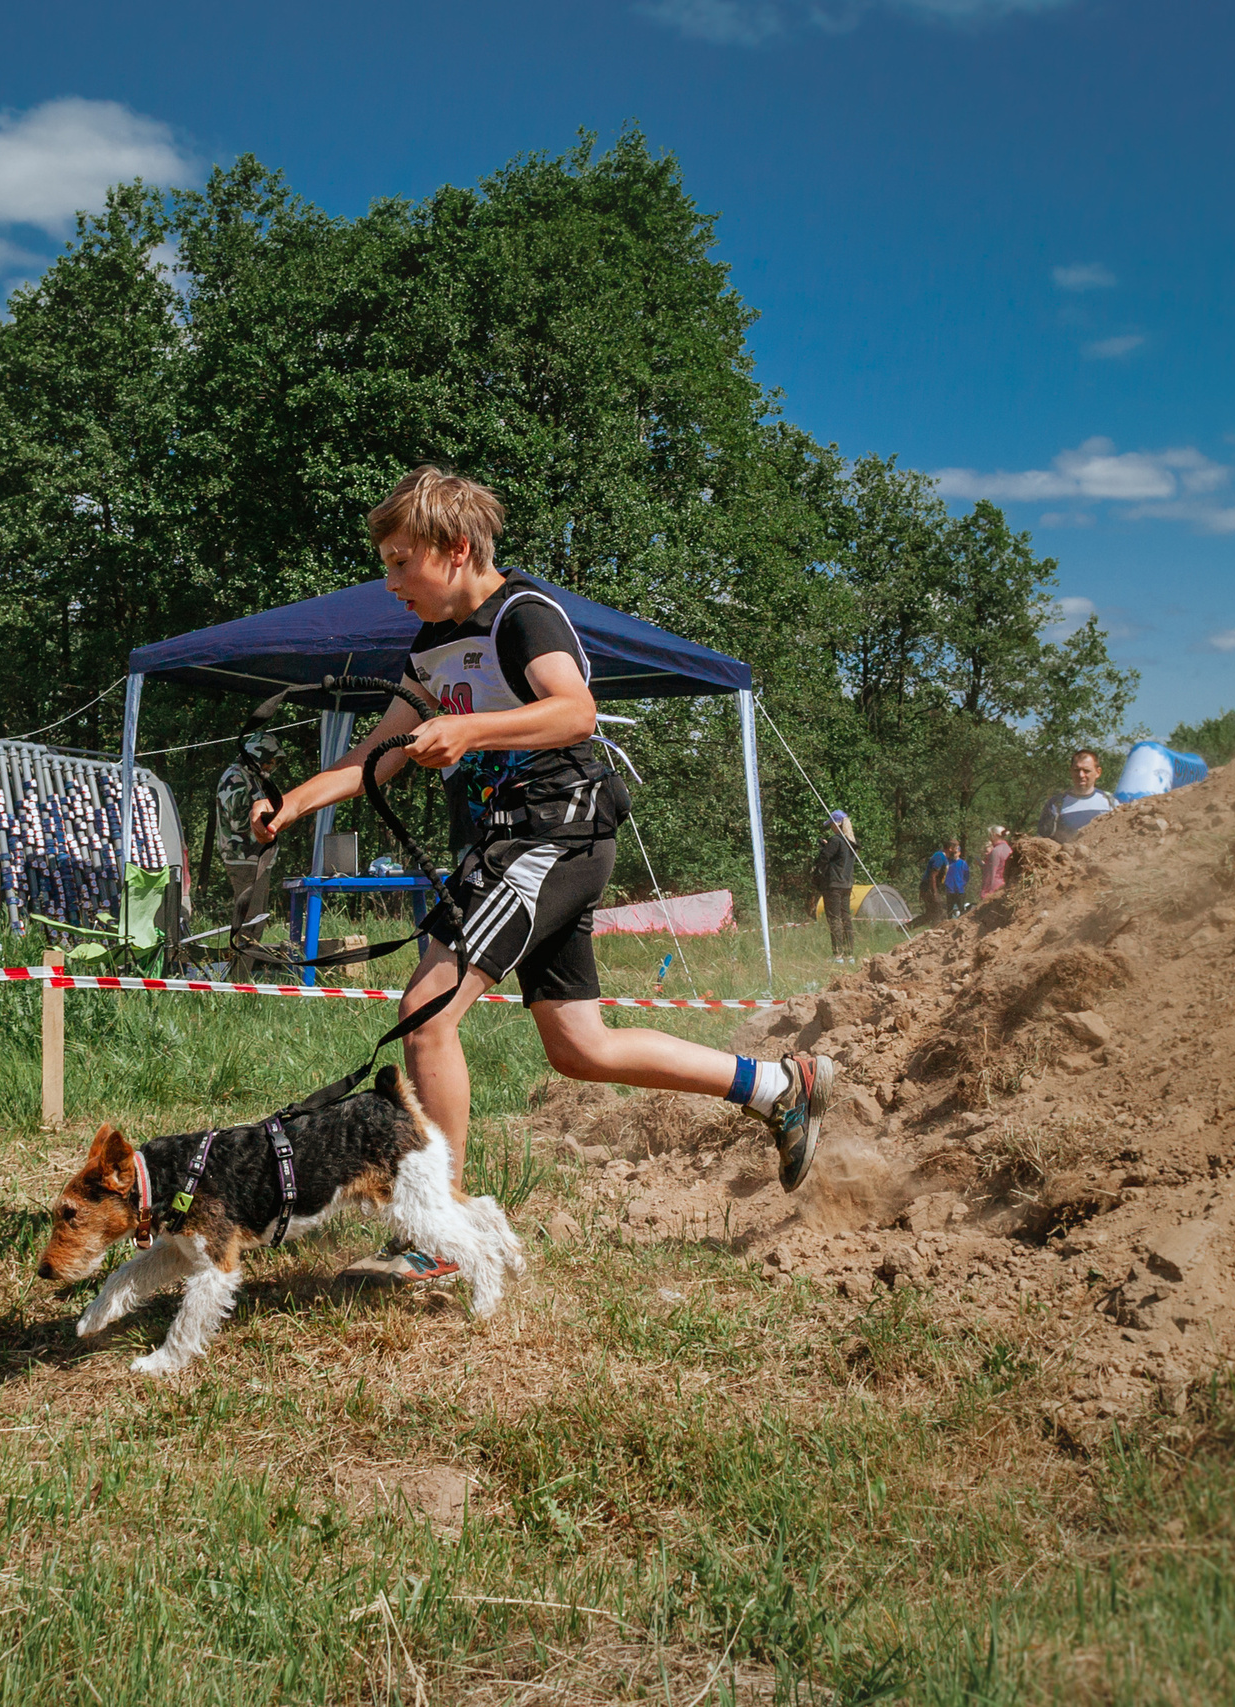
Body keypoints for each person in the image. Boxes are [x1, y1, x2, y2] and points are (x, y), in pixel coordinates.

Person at [255, 466, 835, 1289]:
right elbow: (374, 758)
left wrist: (471, 730)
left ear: (456, 550)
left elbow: (575, 712)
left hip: (551, 826)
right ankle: (779, 1085)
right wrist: (294, 803)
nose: (390, 584)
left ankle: (443, 1233)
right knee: (579, 1046)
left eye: (399, 562)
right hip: (521, 838)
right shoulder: (430, 645)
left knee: (426, 1013)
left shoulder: (522, 615)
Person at [214, 730, 287, 947]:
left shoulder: (255, 779)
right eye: (269, 761)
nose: (271, 766)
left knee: (257, 923)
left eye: (274, 762)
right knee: (249, 924)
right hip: (243, 859)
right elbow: (238, 821)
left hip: (258, 859)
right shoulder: (235, 777)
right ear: (257, 756)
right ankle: (239, 977)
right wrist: (272, 817)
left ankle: (243, 974)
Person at [1037, 748, 1117, 844]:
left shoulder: (1112, 803)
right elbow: (1042, 843)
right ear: (1070, 771)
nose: (1081, 775)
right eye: (1076, 770)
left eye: (1086, 770)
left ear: (1098, 772)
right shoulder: (1056, 804)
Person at [816, 809, 859, 963]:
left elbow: (824, 858)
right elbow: (841, 857)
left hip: (834, 884)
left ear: (837, 823)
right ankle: (849, 954)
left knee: (834, 919)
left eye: (831, 824)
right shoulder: (852, 842)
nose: (830, 828)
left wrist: (823, 847)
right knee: (846, 918)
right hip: (847, 884)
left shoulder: (836, 840)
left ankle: (837, 955)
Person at [939, 838, 971, 918]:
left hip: (959, 890)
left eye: (956, 853)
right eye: (953, 853)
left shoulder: (962, 863)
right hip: (950, 890)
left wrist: (962, 884)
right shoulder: (947, 862)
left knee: (961, 909)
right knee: (949, 909)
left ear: (959, 853)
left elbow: (966, 876)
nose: (954, 854)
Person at [982, 825, 1012, 899]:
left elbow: (992, 872)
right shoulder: (1009, 849)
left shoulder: (996, 851)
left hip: (995, 886)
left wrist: (987, 891)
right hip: (1005, 884)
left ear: (994, 835)